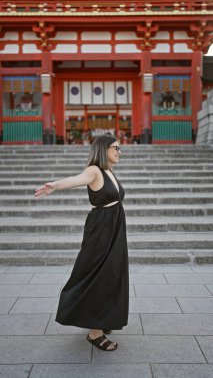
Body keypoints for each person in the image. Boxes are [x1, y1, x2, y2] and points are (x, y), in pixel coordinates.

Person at [34, 134, 129, 352]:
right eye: (116, 147)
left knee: (112, 273)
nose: (119, 151)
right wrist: (55, 186)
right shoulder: (94, 170)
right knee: (97, 274)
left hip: (114, 228)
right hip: (101, 230)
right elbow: (77, 179)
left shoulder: (108, 171)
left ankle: (104, 318)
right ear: (104, 149)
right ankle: (95, 332)